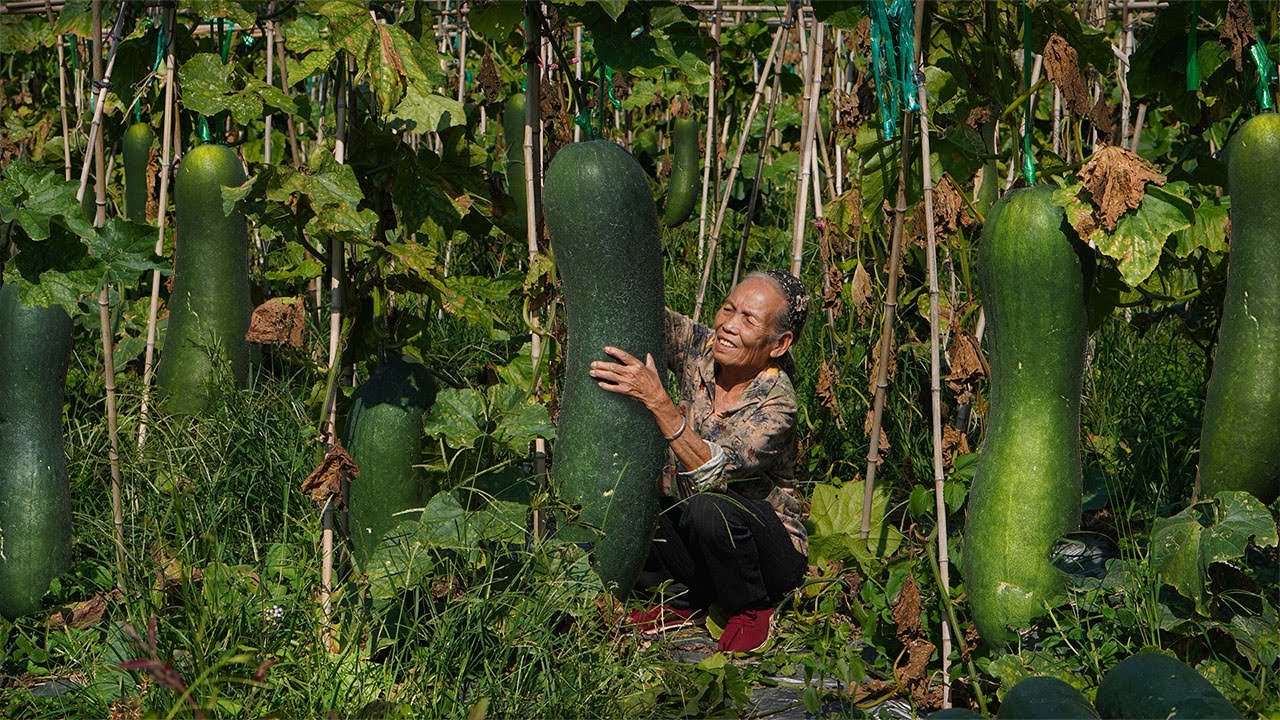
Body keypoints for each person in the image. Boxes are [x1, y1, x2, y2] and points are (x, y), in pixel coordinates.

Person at [588, 269, 809, 654]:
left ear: (779, 343)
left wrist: (658, 400)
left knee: (710, 509)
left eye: (748, 320)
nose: (728, 326)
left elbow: (713, 469)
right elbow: (641, 312)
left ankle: (753, 608)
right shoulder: (703, 347)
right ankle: (681, 602)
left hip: (766, 556)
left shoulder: (777, 402)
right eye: (728, 309)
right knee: (637, 493)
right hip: (699, 534)